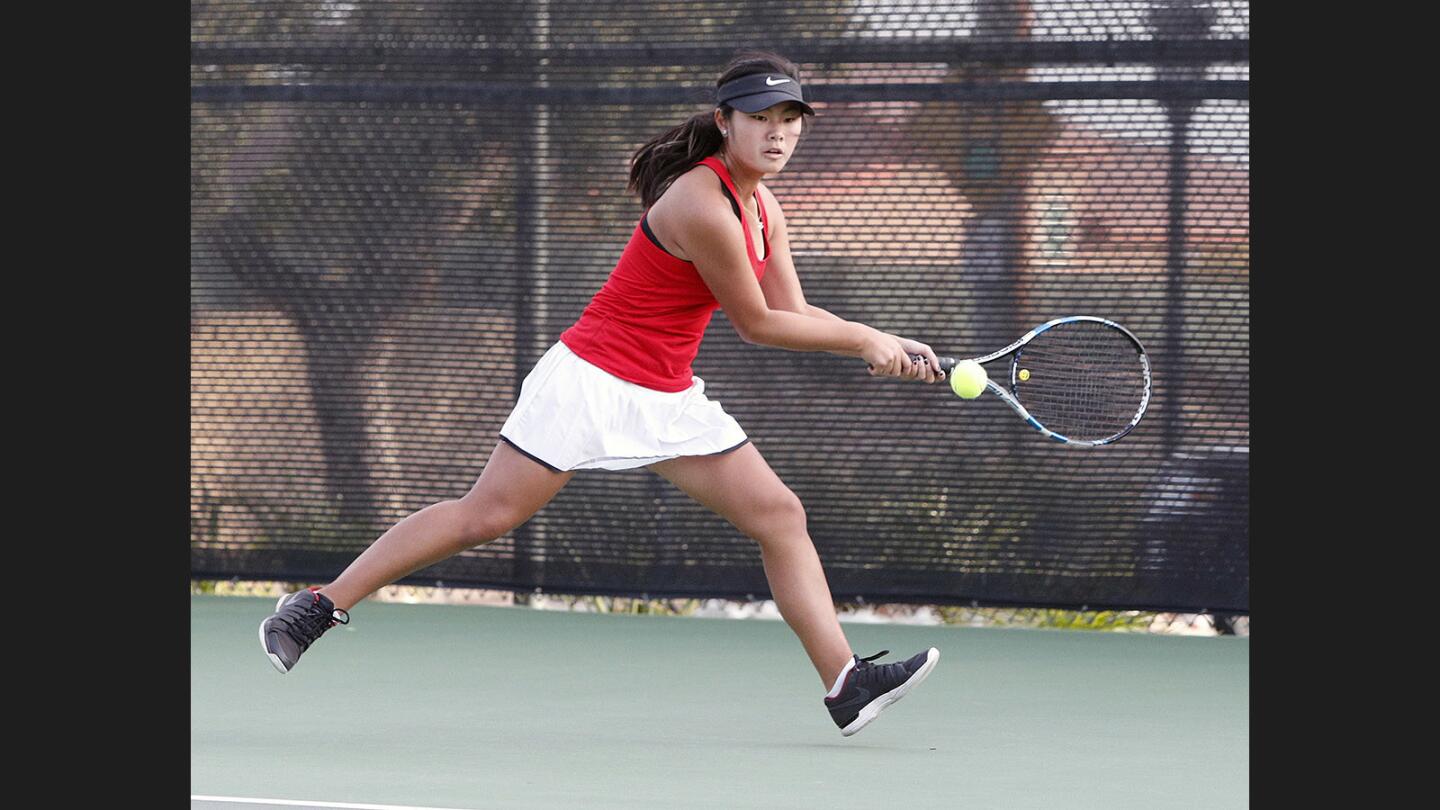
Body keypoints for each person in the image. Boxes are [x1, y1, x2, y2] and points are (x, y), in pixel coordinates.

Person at [261, 50, 944, 737]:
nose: (778, 133)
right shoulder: (700, 203)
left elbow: (794, 308)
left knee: (778, 515)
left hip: (665, 394)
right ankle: (317, 606)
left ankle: (845, 682)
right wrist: (859, 341)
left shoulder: (764, 206)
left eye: (790, 119)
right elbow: (758, 325)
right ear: (724, 123)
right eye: (761, 118)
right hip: (589, 382)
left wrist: (888, 339)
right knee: (485, 517)